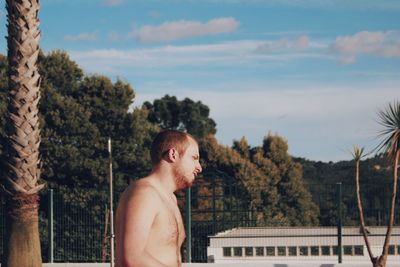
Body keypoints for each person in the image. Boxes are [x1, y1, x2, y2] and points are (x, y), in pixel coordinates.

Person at [115, 130, 202, 267]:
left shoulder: (170, 199)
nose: (199, 167)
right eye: (194, 158)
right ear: (173, 154)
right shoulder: (144, 193)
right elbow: (132, 258)